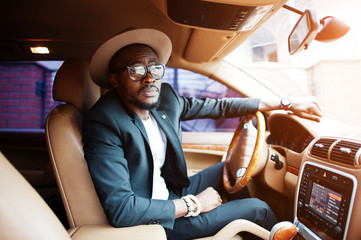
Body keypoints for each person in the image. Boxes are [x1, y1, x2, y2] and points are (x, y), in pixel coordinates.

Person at [83, 28, 323, 239]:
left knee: (229, 169)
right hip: (153, 219)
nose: (149, 78)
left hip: (168, 191)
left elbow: (218, 106)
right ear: (114, 79)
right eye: (136, 70)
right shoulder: (104, 121)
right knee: (258, 208)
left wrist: (285, 104)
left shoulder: (165, 98)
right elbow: (122, 210)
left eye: (155, 68)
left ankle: (235, 229)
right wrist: (194, 204)